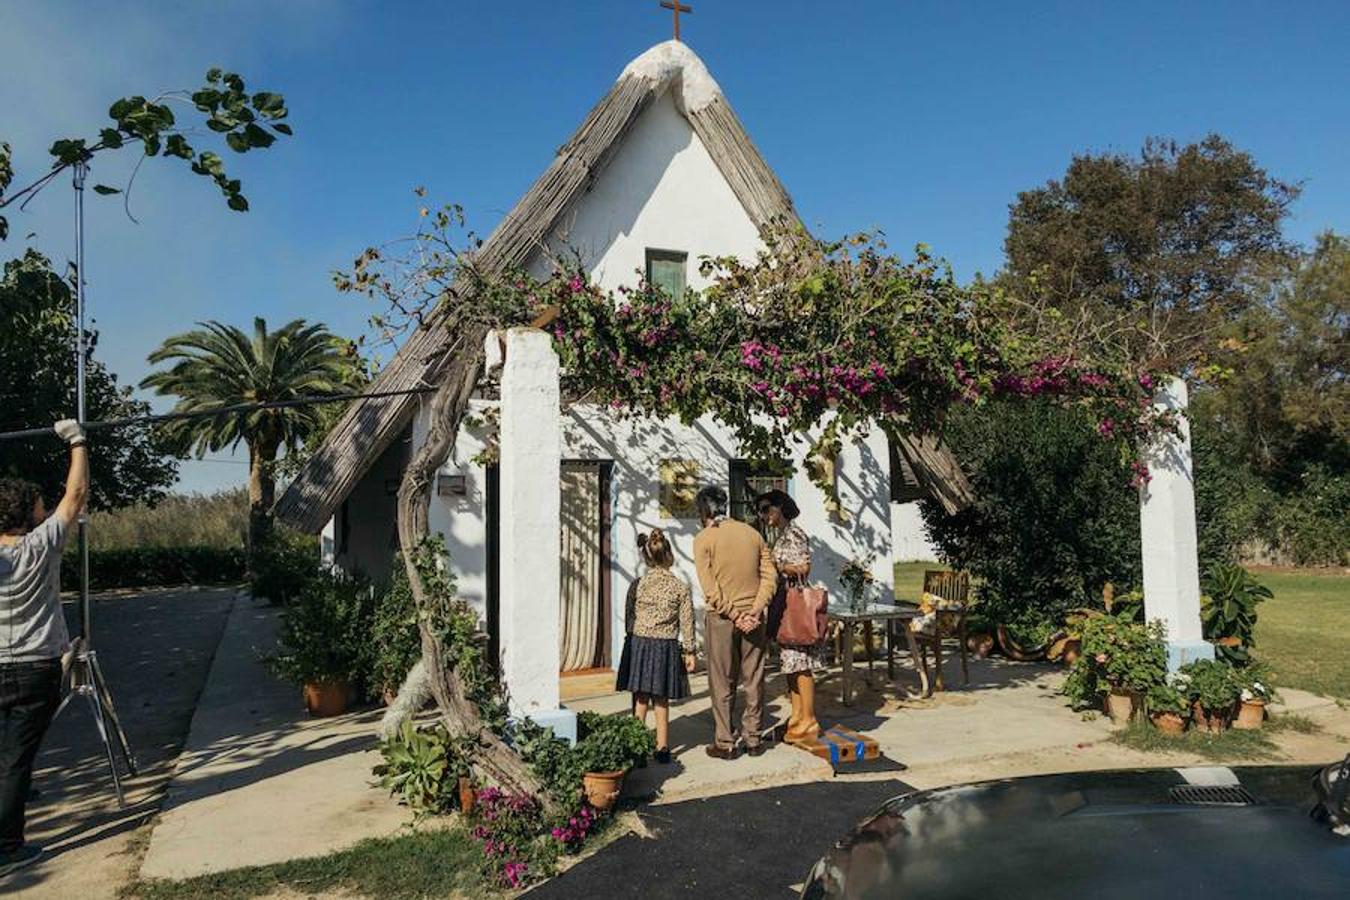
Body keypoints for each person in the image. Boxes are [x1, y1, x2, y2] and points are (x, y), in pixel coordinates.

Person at [0, 419, 88, 878]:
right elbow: (74, 497)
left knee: (8, 757)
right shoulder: (39, 546)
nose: (42, 508)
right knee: (15, 758)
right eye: (37, 503)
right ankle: (7, 847)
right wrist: (77, 440)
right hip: (34, 667)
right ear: (28, 512)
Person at [692, 485, 777, 759]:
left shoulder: (704, 539)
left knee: (721, 681)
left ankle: (726, 742)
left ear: (704, 509)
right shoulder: (753, 534)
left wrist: (736, 614)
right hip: (754, 618)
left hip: (723, 619)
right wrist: (755, 609)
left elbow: (710, 589)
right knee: (754, 679)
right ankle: (753, 739)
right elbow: (770, 576)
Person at [616, 528, 695, 765]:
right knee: (661, 698)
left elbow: (630, 617)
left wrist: (633, 638)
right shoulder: (680, 587)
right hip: (665, 645)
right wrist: (690, 651)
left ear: (646, 557)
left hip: (640, 643)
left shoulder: (638, 585)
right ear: (669, 555)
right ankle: (662, 747)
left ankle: (635, 747)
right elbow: (687, 620)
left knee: (640, 697)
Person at [757, 489, 822, 744]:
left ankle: (809, 718)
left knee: (802, 664)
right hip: (784, 605)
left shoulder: (794, 534)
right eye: (761, 511)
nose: (763, 516)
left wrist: (778, 567)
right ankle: (797, 716)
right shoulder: (781, 535)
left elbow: (804, 567)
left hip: (795, 605)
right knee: (791, 664)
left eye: (766, 509)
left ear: (780, 507)